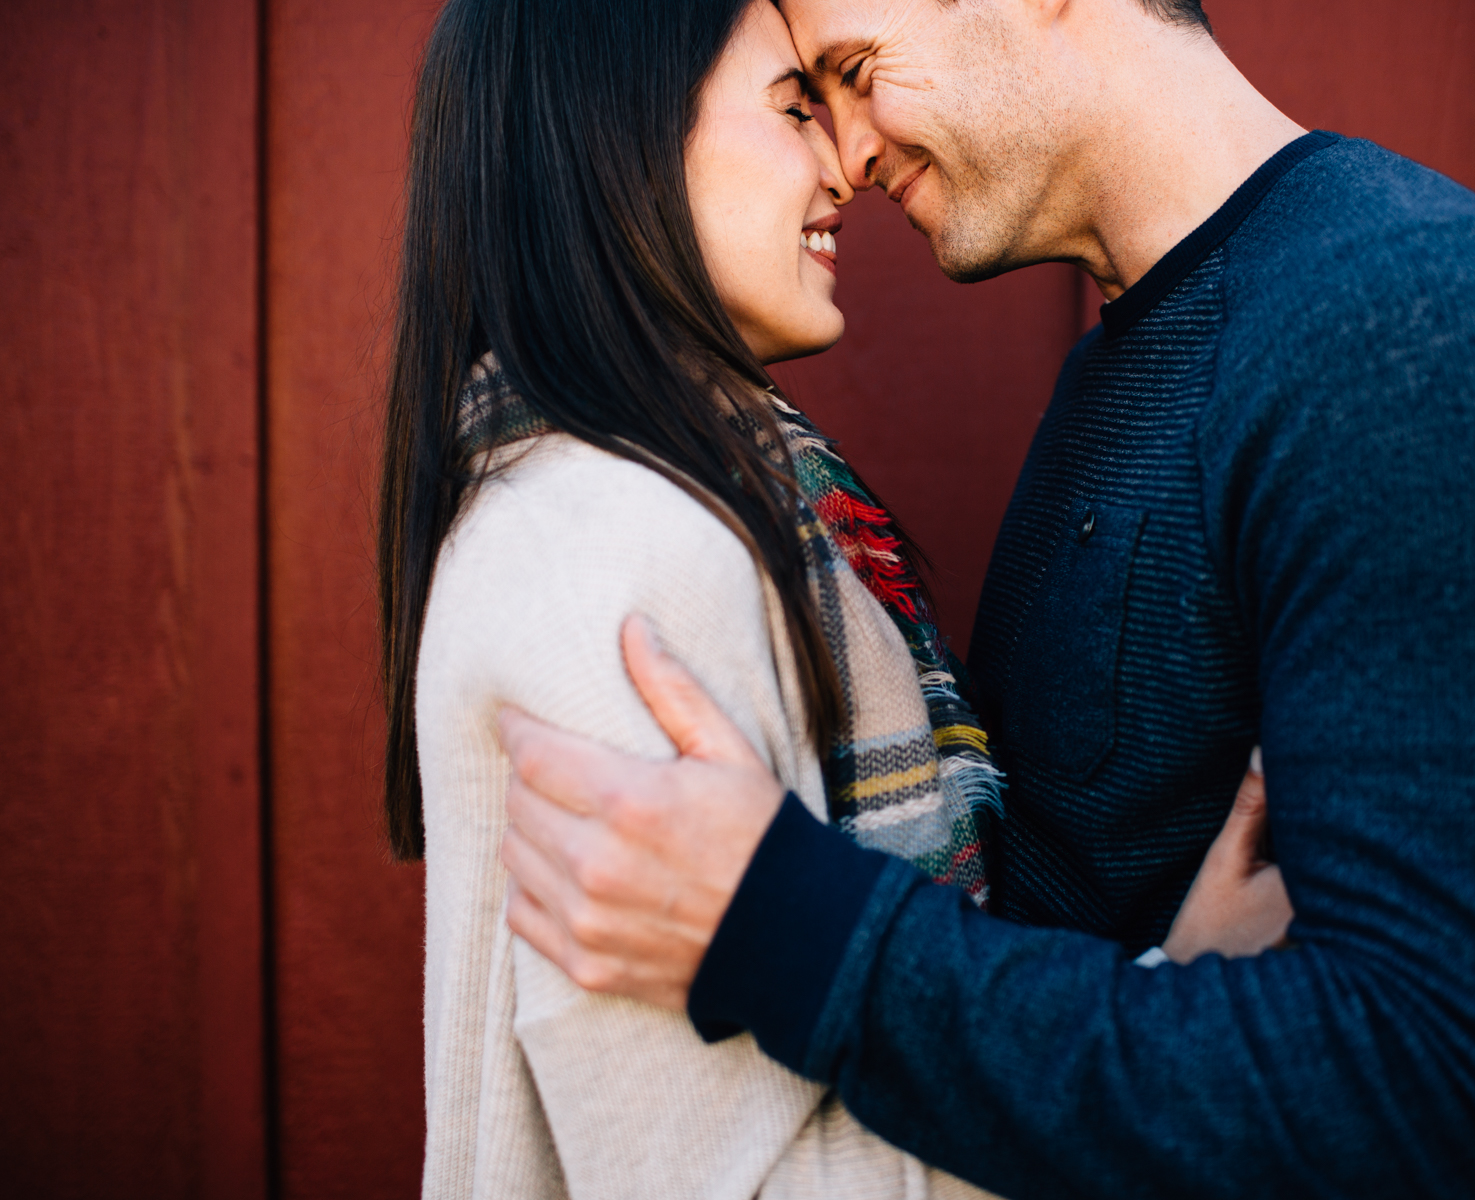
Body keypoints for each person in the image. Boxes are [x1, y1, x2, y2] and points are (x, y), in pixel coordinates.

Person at [495, 0, 1475, 1197]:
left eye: (858, 72)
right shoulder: (1134, 365)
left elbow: (1466, 1119)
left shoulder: (1430, 342)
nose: (848, 156)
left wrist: (812, 943)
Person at [380, 1, 1284, 1196]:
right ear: (621, 139)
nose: (844, 163)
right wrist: (1185, 1009)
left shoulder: (664, 501)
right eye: (796, 106)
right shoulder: (613, 551)